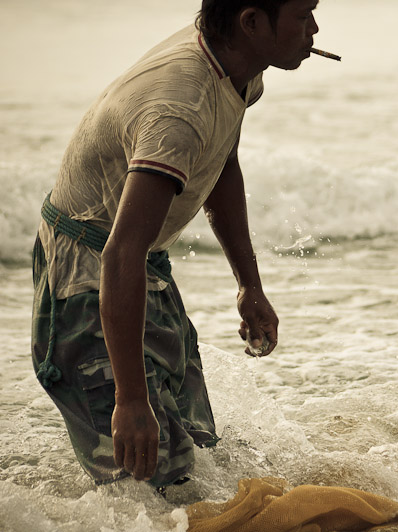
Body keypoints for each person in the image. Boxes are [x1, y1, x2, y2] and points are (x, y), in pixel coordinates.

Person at [31, 0, 321, 488]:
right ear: (252, 22)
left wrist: (249, 286)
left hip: (142, 263)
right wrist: (130, 398)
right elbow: (119, 254)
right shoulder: (179, 109)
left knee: (202, 462)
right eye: (303, 15)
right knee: (149, 480)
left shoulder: (240, 65)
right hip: (88, 274)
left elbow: (222, 163)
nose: (314, 28)